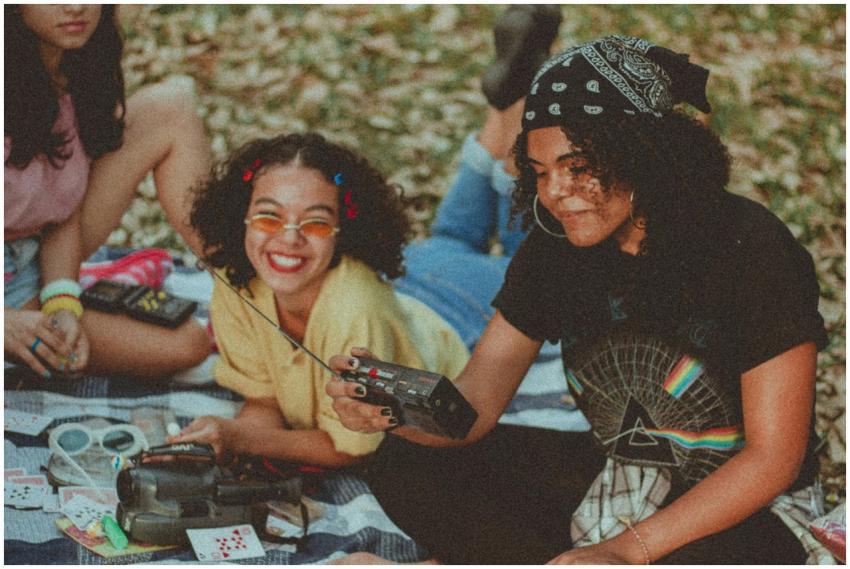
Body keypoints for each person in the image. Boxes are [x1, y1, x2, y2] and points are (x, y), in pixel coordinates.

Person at [327, 36, 828, 564]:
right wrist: (391, 407)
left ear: (643, 154)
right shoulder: (557, 245)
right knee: (404, 462)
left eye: (578, 166)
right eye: (540, 172)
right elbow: (474, 405)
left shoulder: (750, 246)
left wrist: (625, 552)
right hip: (623, 478)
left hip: (748, 505)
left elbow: (773, 459)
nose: (555, 192)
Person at [166, 5, 565, 468]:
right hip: (415, 273)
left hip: (458, 307)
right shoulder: (237, 283)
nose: (288, 239)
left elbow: (353, 448)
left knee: (526, 248)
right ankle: (513, 98)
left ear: (342, 229)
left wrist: (239, 439)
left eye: (314, 222)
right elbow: (265, 399)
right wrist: (231, 437)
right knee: (453, 235)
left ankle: (525, 105)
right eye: (270, 218)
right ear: (242, 219)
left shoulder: (354, 310)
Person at [4, 5, 212, 379]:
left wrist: (63, 302)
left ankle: (252, 286)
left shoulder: (76, 66)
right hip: (10, 296)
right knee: (187, 343)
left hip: (32, 254)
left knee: (171, 107)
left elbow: (60, 208)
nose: (75, 6)